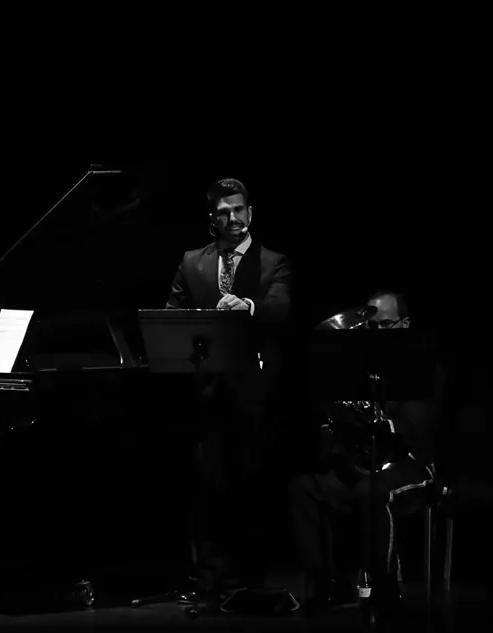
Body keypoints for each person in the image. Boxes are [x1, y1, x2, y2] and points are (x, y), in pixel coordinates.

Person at [165, 178, 291, 604]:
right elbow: (172, 313)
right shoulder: (192, 261)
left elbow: (280, 306)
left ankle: (251, 577)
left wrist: (248, 305)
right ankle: (210, 578)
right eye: (223, 212)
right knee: (209, 485)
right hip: (208, 390)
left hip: (255, 392)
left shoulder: (273, 261)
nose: (232, 218)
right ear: (212, 219)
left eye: (238, 210)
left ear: (250, 213)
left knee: (251, 483)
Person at [289, 290, 445, 616]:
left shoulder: (423, 368)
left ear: (405, 324)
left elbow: (414, 429)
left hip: (412, 464)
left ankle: (386, 588)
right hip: (367, 464)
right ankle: (329, 584)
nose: (377, 333)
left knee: (371, 492)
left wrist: (377, 422)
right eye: (372, 327)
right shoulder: (358, 369)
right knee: (305, 488)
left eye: (386, 325)